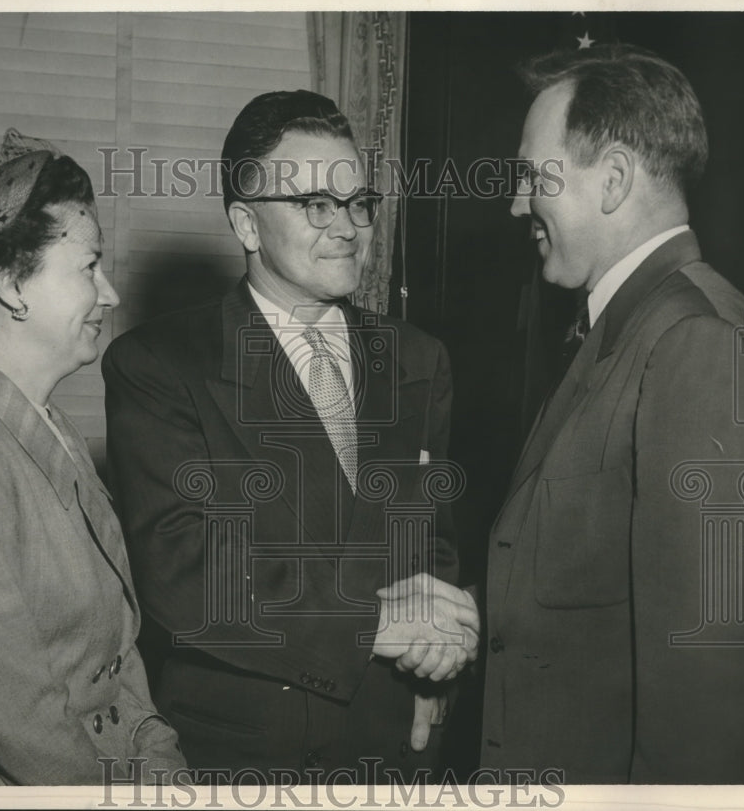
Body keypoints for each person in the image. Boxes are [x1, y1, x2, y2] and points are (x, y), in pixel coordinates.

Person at [103, 90, 479, 781]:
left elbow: (432, 542)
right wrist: (375, 627)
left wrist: (438, 664)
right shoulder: (159, 364)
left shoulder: (419, 359)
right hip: (248, 759)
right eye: (315, 204)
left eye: (358, 202)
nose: (347, 227)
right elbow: (185, 575)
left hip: (394, 748)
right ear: (247, 224)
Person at [479, 44, 744, 782]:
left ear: (614, 178)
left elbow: (716, 705)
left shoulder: (695, 343)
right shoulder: (634, 322)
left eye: (533, 176)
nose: (516, 203)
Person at [0, 150, 186, 785]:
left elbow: (115, 660)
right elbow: (19, 714)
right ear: (10, 282)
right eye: (88, 267)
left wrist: (162, 762)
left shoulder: (50, 429)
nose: (108, 292)